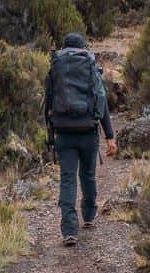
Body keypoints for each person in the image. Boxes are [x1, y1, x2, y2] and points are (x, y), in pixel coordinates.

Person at [44, 32, 116, 246]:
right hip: (88, 132)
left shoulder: (57, 66)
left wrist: (50, 132)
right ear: (82, 46)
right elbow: (101, 102)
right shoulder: (90, 65)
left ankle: (68, 231)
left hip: (64, 132)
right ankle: (89, 216)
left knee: (67, 180)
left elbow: (48, 100)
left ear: (64, 47)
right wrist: (110, 136)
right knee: (88, 175)